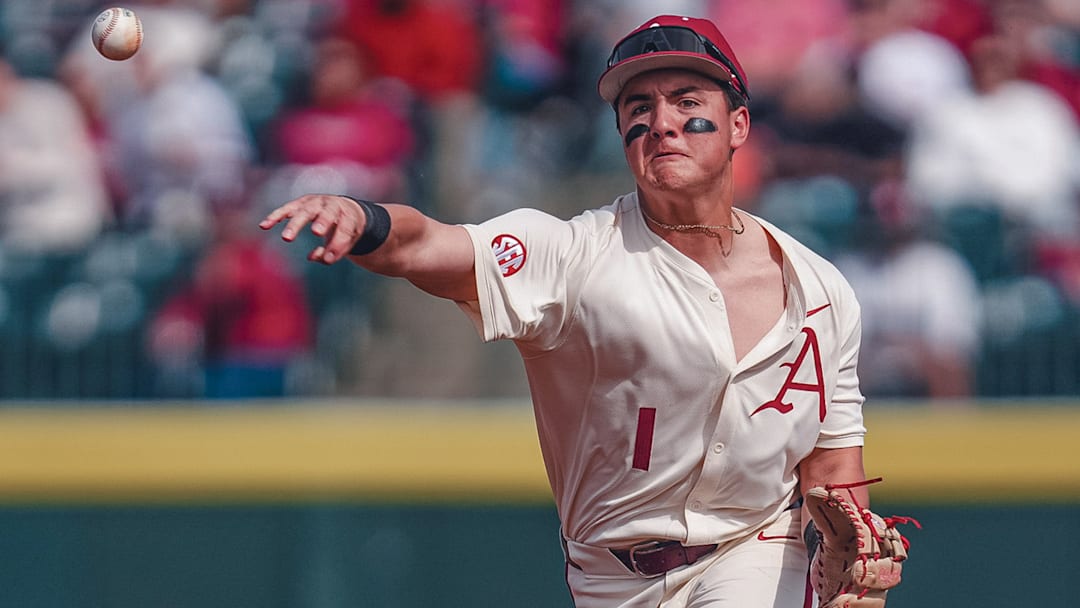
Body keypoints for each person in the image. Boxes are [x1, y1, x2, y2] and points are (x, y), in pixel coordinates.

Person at [262, 14, 885, 607]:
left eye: (688, 103)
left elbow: (833, 466)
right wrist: (365, 219)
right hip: (611, 573)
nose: (662, 122)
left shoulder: (820, 288)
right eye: (639, 109)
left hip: (759, 547)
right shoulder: (572, 254)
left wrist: (848, 543)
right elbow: (429, 243)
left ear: (739, 126)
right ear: (622, 138)